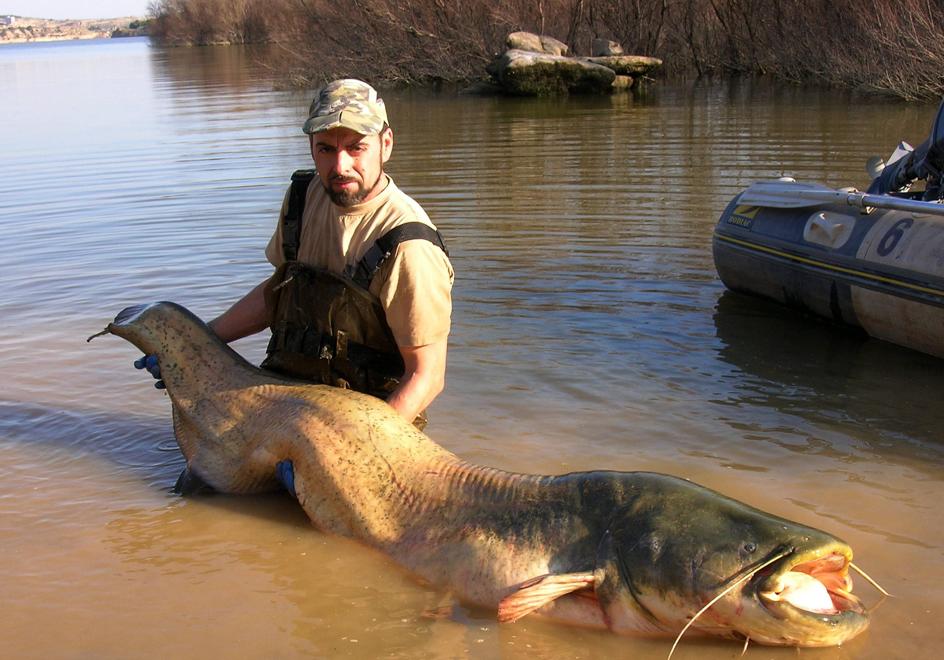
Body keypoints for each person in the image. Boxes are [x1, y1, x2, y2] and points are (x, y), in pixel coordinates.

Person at [137, 79, 454, 430]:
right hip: (287, 396)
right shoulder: (303, 198)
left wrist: (355, 451)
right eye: (326, 149)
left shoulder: (409, 246)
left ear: (386, 144)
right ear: (311, 146)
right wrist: (199, 345)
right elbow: (278, 292)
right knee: (198, 477)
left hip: (369, 419)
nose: (340, 166)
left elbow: (426, 376)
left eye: (356, 147)